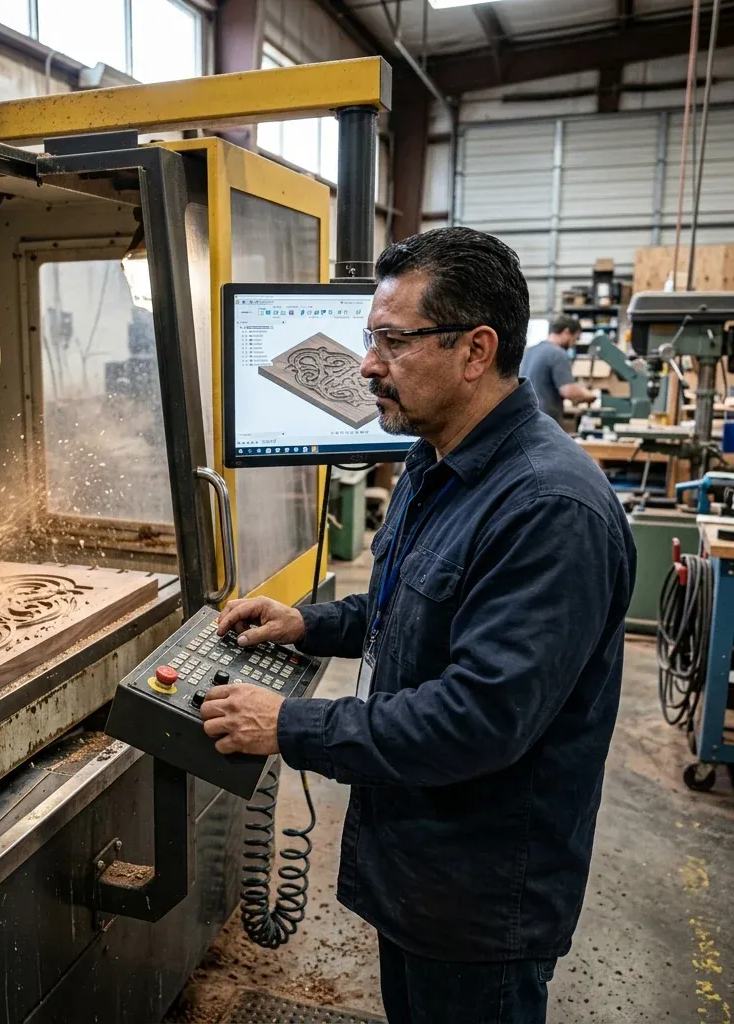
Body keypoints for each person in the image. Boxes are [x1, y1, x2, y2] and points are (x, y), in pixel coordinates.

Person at [200, 227, 635, 1024]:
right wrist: (308, 624)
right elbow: (410, 606)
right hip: (419, 864)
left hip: (479, 894)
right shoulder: (437, 463)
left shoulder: (548, 508)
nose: (368, 365)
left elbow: (480, 719)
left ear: (475, 350)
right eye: (372, 339)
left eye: (393, 342)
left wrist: (290, 725)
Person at [519, 316, 599, 425]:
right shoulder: (558, 353)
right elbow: (569, 391)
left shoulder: (529, 351)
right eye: (575, 339)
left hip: (524, 420)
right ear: (566, 332)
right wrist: (590, 396)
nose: (573, 344)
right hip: (544, 423)